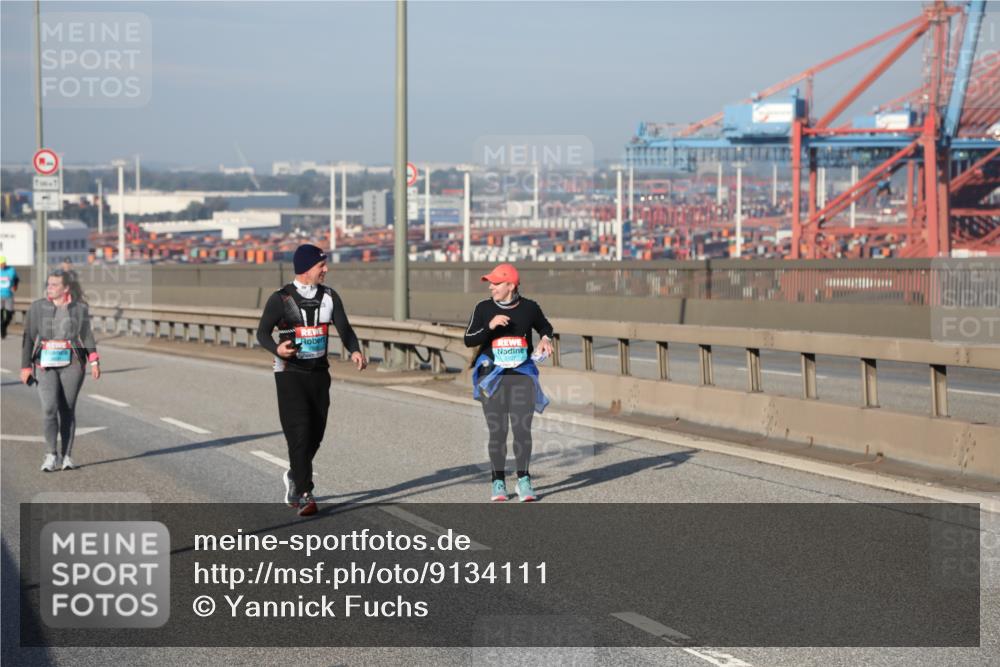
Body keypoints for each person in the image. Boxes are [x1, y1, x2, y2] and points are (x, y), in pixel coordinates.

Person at [256, 244, 367, 516]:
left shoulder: (330, 296)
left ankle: (295, 475)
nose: (326, 269)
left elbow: (345, 328)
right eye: (322, 266)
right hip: (289, 373)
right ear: (307, 269)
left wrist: (354, 350)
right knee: (300, 433)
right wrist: (277, 349)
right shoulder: (280, 299)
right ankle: (305, 493)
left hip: (319, 374)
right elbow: (261, 333)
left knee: (316, 434)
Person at [464, 263, 554, 502]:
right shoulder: (483, 308)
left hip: (521, 375)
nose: (491, 287)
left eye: (496, 283)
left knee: (522, 429)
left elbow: (545, 325)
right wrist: (490, 326)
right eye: (490, 283)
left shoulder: (529, 308)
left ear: (511, 285)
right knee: (498, 430)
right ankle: (498, 482)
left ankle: (524, 480)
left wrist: (545, 338)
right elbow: (468, 339)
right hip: (491, 376)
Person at [20, 269, 101, 471]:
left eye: (55, 284)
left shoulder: (79, 308)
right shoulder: (37, 307)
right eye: (49, 284)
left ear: (66, 288)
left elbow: (87, 335)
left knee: (67, 410)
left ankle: (66, 456)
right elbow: (28, 338)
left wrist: (93, 360)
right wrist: (25, 367)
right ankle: (50, 455)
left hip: (72, 363)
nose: (50, 287)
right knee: (49, 408)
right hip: (44, 364)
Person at [0, 255, 19, 339]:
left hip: (9, 295)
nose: (2, 266)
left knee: (9, 315)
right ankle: (3, 331)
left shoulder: (11, 270)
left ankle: (3, 326)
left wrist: (15, 286)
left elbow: (16, 279)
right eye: (0, 264)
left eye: (3, 264)